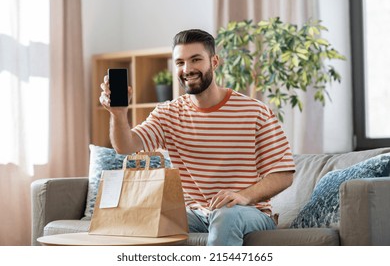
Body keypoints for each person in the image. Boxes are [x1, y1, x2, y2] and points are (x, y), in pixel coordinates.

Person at [99, 29, 296, 246]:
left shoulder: (255, 112)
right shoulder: (168, 114)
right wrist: (118, 115)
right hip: (196, 215)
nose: (187, 69)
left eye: (195, 60)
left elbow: (283, 173)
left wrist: (244, 196)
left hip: (249, 213)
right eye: (180, 62)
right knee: (146, 219)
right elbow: (126, 147)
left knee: (227, 215)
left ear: (214, 61)